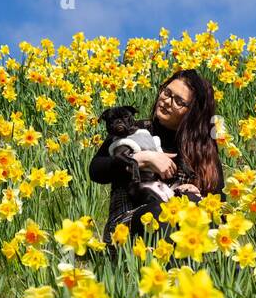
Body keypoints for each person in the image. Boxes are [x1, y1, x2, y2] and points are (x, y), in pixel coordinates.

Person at [89, 69, 224, 248]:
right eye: (167, 92)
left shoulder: (202, 151)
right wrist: (142, 158)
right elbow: (96, 170)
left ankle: (193, 273)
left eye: (178, 101)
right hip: (127, 227)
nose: (167, 101)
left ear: (192, 112)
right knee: (159, 213)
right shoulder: (132, 131)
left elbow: (221, 209)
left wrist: (199, 194)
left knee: (199, 211)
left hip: (183, 229)